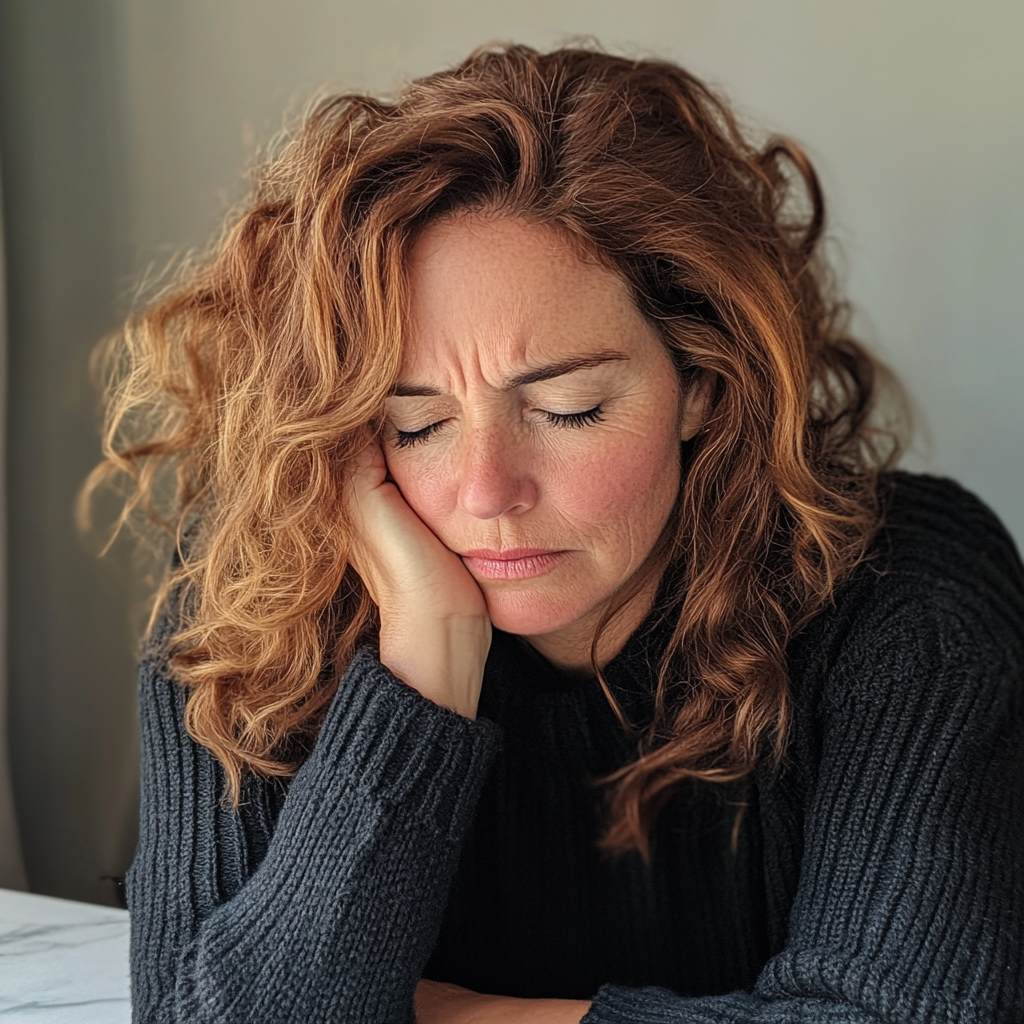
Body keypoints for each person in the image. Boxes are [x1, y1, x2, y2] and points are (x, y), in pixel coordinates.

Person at [84, 44, 1023, 1024]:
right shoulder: (254, 591)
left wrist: (435, 1014)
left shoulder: (903, 594)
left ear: (703, 381)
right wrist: (423, 669)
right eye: (416, 423)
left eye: (569, 408)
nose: (488, 490)